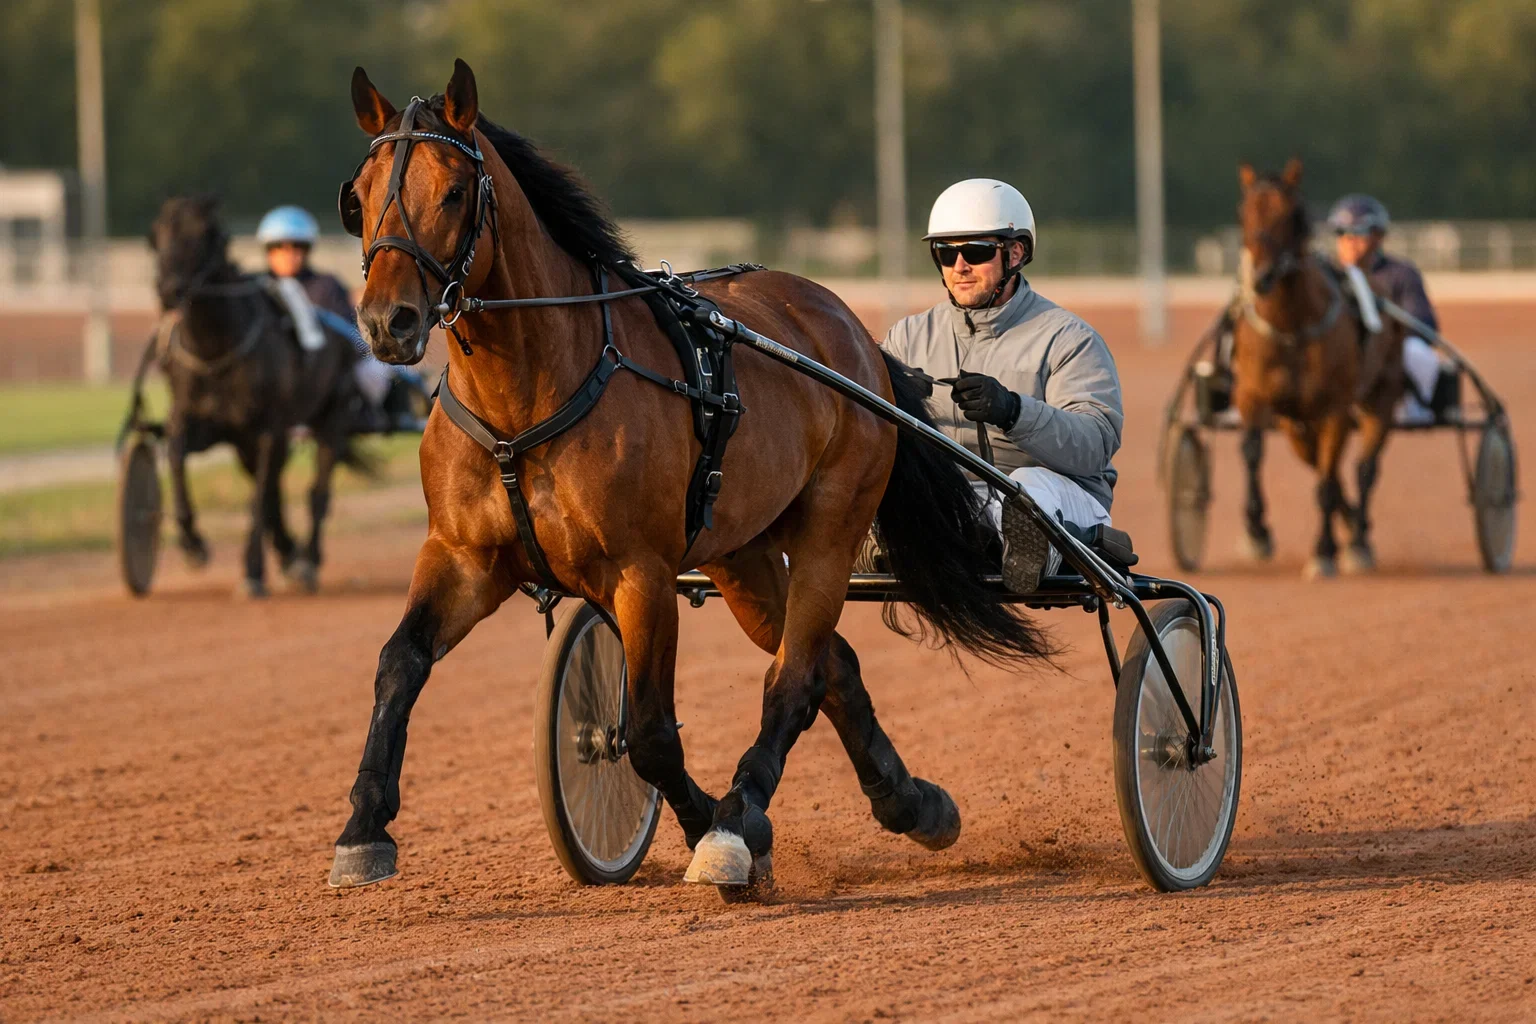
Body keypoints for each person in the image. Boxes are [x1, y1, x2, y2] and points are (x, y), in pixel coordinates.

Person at [881, 178, 1124, 591]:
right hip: (958, 496)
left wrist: (1013, 411)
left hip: (1062, 498)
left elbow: (1094, 446)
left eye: (976, 252)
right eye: (945, 253)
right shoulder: (907, 338)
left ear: (1016, 253)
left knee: (1027, 489)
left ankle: (1020, 547)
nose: (959, 266)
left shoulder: (1068, 338)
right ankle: (932, 538)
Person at [256, 205, 425, 432]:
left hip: (327, 370)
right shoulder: (257, 289)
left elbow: (348, 334)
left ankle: (379, 414)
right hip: (274, 372)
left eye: (297, 246)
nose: (289, 255)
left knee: (379, 369)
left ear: (307, 250)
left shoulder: (325, 285)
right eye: (279, 247)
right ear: (268, 251)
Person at [1327, 194, 1456, 424]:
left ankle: (1414, 406)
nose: (1349, 241)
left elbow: (1423, 324)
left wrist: (1385, 338)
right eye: (1342, 233)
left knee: (1418, 352)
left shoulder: (1401, 273)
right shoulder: (1327, 277)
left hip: (1389, 352)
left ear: (1378, 237)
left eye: (1358, 233)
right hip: (1341, 350)